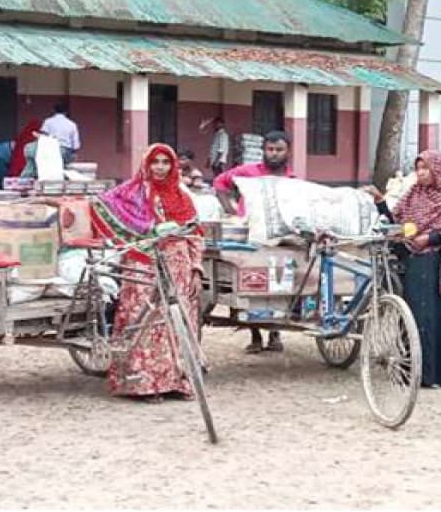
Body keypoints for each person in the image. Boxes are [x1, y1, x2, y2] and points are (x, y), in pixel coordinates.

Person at [91, 144, 203, 400]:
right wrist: (136, 233)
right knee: (145, 321)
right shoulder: (133, 191)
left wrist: (196, 268)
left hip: (178, 265)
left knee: (178, 321)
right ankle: (144, 385)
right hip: (143, 263)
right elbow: (101, 206)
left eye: (166, 162)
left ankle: (177, 382)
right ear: (147, 164)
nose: (161, 167)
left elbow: (195, 233)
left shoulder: (182, 195)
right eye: (156, 162)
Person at [365, 151, 441, 389]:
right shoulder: (413, 194)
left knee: (437, 318)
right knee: (414, 317)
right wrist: (380, 201)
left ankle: (438, 375)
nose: (421, 173)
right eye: (418, 168)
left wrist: (432, 238)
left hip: (440, 265)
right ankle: (414, 374)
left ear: (439, 171)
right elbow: (395, 223)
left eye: (426, 168)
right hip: (414, 262)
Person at [212, 130, 293, 353]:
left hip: (279, 239)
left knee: (279, 285)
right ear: (264, 150)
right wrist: (231, 209)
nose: (274, 154)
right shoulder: (247, 172)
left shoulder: (292, 180)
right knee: (252, 285)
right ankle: (255, 335)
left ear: (288, 152)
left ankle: (275, 333)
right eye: (270, 149)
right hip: (250, 236)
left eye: (279, 150)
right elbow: (220, 182)